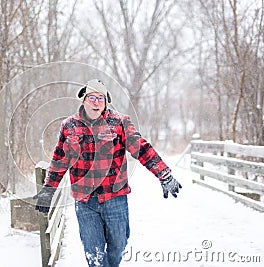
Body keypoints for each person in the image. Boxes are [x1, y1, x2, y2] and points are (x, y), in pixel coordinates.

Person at [33, 79, 182, 267]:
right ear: (83, 100)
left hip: (115, 199)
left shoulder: (119, 122)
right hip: (85, 202)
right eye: (92, 97)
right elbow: (59, 160)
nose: (96, 102)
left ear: (106, 101)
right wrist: (48, 190)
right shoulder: (69, 126)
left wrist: (164, 174)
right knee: (93, 254)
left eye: (101, 98)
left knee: (118, 247)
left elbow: (142, 149)